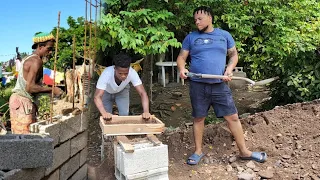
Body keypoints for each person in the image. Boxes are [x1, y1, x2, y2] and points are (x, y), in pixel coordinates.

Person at [177, 6, 267, 165]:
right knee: (198, 118)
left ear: (210, 18)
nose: (197, 22)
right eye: (195, 20)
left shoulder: (224, 35)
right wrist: (182, 68)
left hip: (219, 85)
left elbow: (233, 55)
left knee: (232, 117)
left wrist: (229, 70)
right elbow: (181, 57)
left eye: (200, 19)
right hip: (198, 85)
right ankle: (198, 151)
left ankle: (244, 152)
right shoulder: (191, 37)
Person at [9, 32, 63, 134]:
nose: (51, 52)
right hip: (22, 102)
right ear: (40, 46)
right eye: (49, 48)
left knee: (22, 138)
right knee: (25, 139)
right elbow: (30, 87)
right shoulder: (36, 61)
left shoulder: (29, 58)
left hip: (19, 102)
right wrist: (52, 89)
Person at [94, 53, 151, 120]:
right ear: (115, 69)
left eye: (126, 73)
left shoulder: (132, 73)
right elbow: (97, 97)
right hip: (106, 92)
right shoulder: (106, 73)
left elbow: (142, 93)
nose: (123, 76)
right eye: (120, 73)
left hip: (122, 90)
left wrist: (146, 112)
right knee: (106, 116)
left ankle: (122, 130)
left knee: (124, 114)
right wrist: (104, 113)